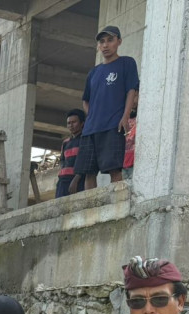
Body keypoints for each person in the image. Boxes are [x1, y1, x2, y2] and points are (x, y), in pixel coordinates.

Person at [71, 25, 138, 191]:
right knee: (89, 172)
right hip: (91, 129)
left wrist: (125, 116)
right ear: (98, 46)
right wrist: (92, 115)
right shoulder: (94, 72)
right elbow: (85, 100)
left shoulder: (126, 63)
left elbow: (132, 90)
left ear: (119, 42)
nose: (105, 45)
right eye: (102, 41)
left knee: (114, 169)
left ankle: (117, 203)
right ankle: (89, 208)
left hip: (113, 126)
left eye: (110, 40)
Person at [57, 109, 86, 198]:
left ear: (82, 123)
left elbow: (84, 162)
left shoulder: (85, 140)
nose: (71, 125)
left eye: (74, 122)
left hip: (78, 181)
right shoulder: (65, 142)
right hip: (63, 181)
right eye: (69, 123)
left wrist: (76, 180)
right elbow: (62, 161)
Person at [123, 92, 138, 180]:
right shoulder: (124, 118)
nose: (132, 100)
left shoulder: (144, 115)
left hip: (136, 161)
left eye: (135, 96)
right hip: (124, 163)